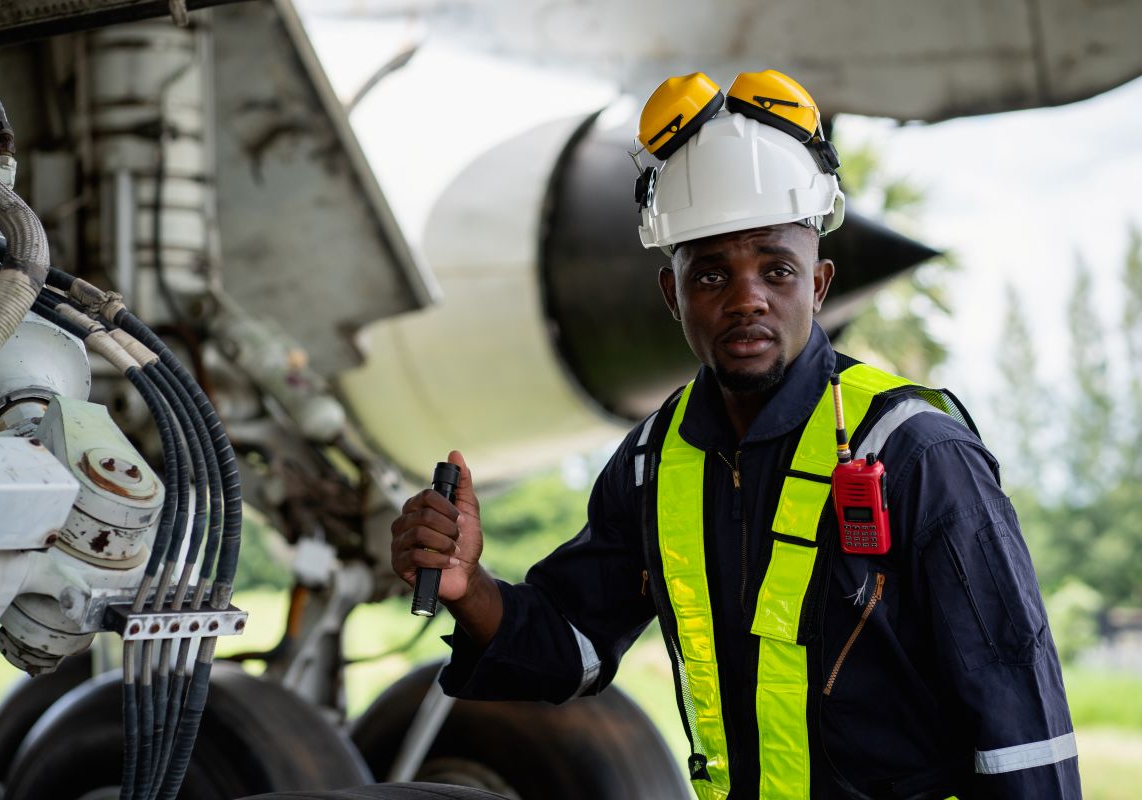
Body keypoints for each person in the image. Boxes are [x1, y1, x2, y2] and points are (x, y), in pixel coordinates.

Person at [389, 70, 1080, 800]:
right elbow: (571, 647)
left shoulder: (917, 453)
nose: (746, 297)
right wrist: (469, 588)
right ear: (672, 294)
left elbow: (1022, 729)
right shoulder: (656, 463)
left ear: (819, 285)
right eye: (711, 274)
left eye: (776, 269)